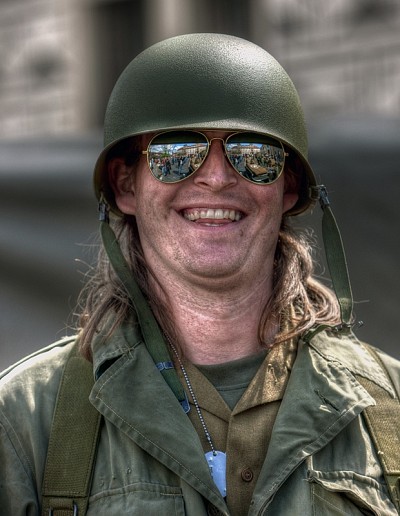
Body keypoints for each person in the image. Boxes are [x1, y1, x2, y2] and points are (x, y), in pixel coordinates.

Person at [0, 33, 399, 516]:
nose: (216, 177)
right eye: (175, 153)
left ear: (289, 186)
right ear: (125, 186)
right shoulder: (26, 420)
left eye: (253, 155)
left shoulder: (388, 408)